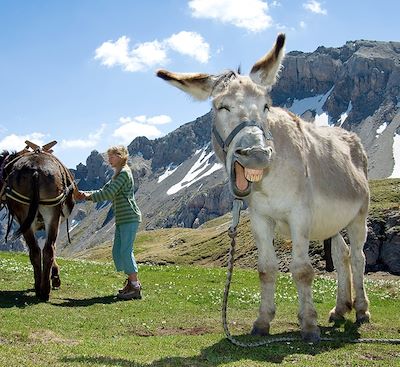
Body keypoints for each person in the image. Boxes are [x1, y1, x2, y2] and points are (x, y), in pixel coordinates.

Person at [76, 145, 142, 300]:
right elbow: (104, 190)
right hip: (122, 218)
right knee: (118, 251)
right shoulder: (118, 174)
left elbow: (108, 193)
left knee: (125, 251)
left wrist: (86, 197)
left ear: (120, 156)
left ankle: (135, 287)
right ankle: (131, 284)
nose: (109, 159)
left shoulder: (124, 174)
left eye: (112, 156)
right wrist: (85, 194)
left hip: (129, 216)